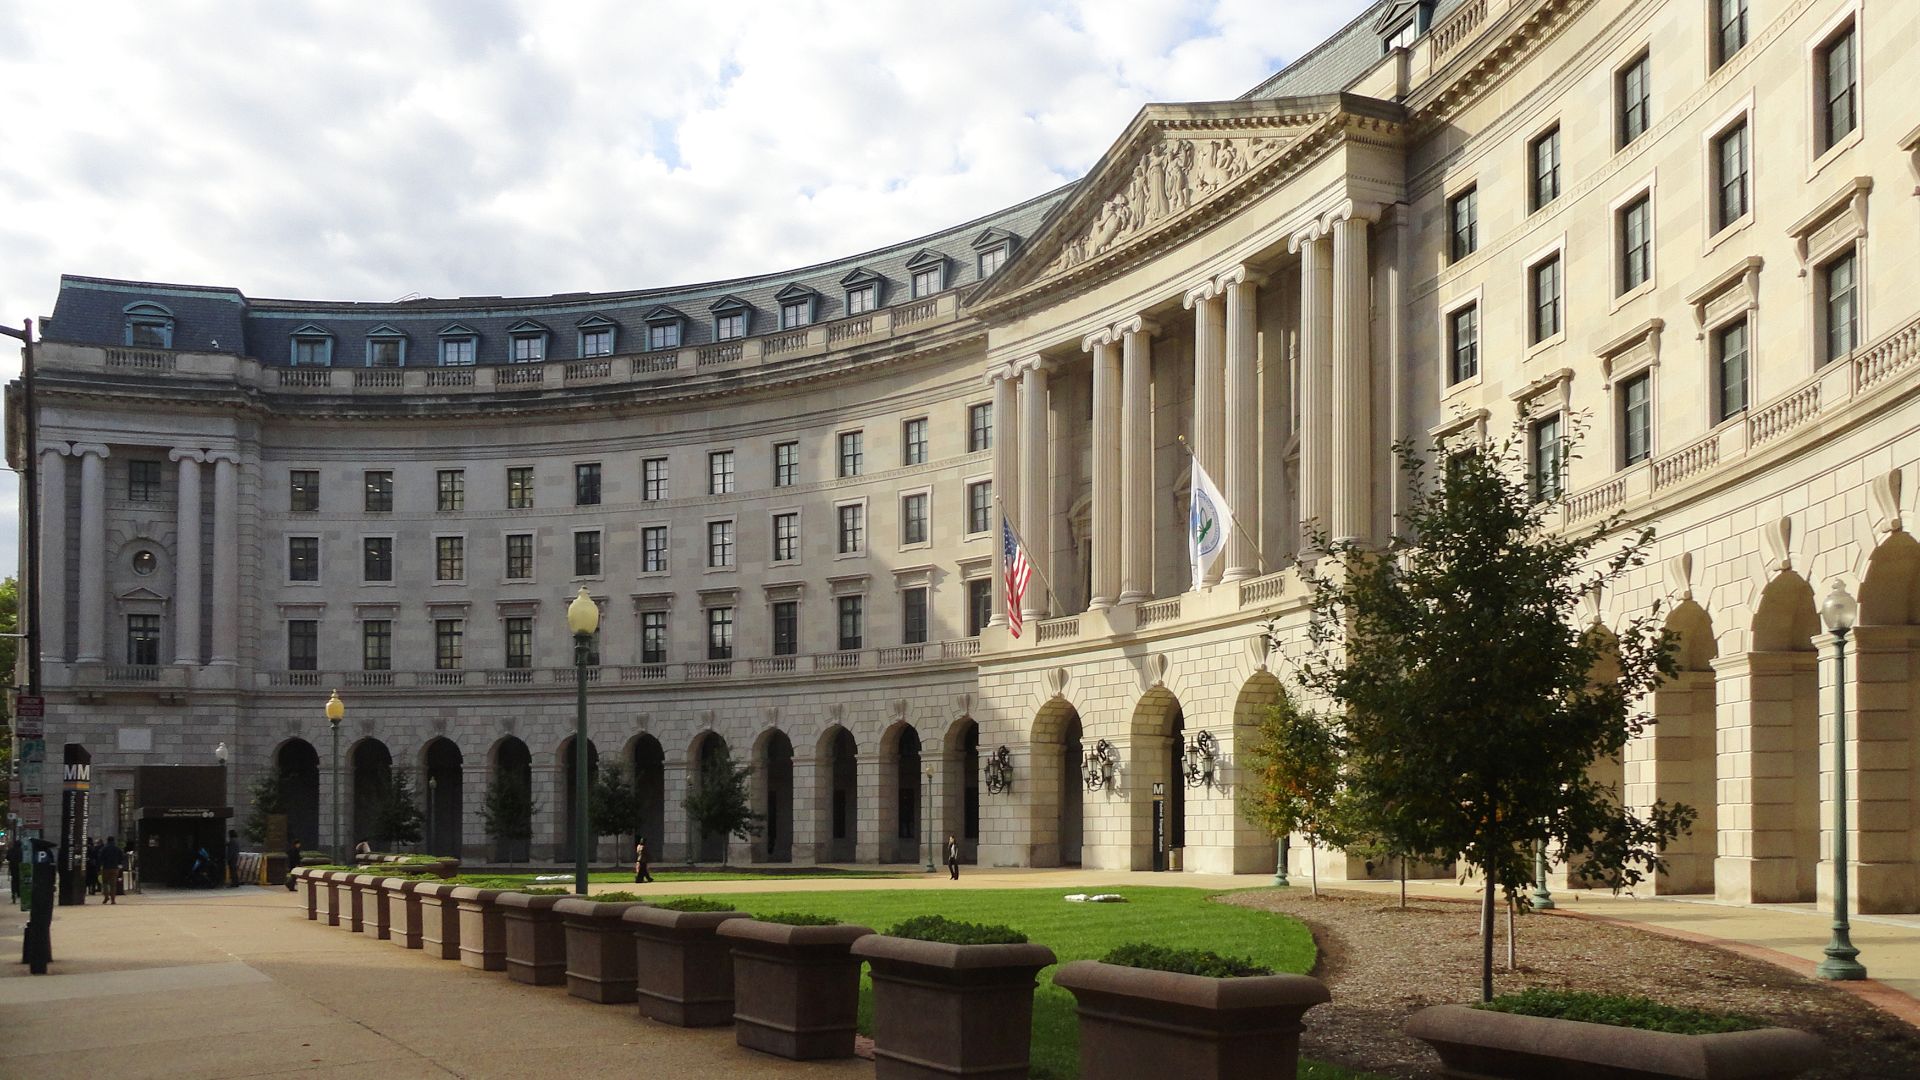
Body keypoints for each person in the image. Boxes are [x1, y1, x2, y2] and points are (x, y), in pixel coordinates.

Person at [98, 836, 124, 904]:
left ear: (107, 840)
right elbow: (121, 857)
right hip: (115, 868)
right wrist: (119, 863)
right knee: (113, 885)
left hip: (106, 868)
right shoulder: (117, 849)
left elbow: (100, 858)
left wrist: (100, 866)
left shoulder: (104, 848)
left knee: (105, 883)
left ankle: (106, 896)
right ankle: (113, 900)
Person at [6, 836, 21, 900]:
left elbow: (7, 858)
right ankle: (18, 892)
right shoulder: (21, 850)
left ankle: (13, 892)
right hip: (19, 866)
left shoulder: (10, 850)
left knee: (14, 879)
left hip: (12, 866)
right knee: (19, 879)